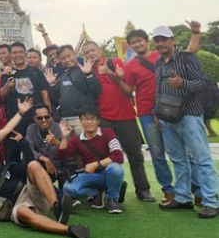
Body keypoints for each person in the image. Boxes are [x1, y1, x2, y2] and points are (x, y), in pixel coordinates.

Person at [122, 25, 201, 204]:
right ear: (130, 46)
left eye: (140, 40)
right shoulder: (130, 66)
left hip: (173, 110)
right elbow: (127, 91)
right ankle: (168, 190)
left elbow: (189, 53)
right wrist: (113, 76)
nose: (137, 44)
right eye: (133, 42)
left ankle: (196, 190)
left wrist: (195, 34)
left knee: (184, 152)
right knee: (157, 153)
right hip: (146, 113)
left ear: (147, 41)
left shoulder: (163, 55)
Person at [152, 26, 218, 218]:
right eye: (157, 40)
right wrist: (156, 113)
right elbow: (158, 89)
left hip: (189, 115)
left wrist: (184, 84)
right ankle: (182, 198)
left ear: (173, 40)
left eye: (163, 39)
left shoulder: (187, 58)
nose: (160, 43)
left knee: (202, 159)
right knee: (178, 160)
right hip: (167, 118)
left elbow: (203, 83)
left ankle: (212, 201)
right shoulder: (158, 64)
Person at [0, 137, 89, 238]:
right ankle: (69, 230)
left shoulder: (9, 167)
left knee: (33, 165)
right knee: (23, 212)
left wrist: (24, 143)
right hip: (16, 204)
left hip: (30, 191)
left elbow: (29, 163)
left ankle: (56, 207)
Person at [82, 41, 153, 202]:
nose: (90, 54)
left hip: (126, 117)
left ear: (100, 50)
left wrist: (109, 72)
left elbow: (127, 90)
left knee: (135, 155)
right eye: (86, 53)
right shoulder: (87, 71)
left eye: (92, 50)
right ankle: (111, 192)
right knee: (105, 158)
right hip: (104, 119)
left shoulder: (115, 63)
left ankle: (143, 190)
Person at [58, 106, 127, 214]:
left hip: (107, 172)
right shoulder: (76, 139)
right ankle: (98, 192)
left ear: (98, 121)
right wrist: (63, 137)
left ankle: (112, 199)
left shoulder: (108, 132)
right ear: (80, 121)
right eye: (85, 119)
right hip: (90, 176)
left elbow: (118, 156)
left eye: (92, 118)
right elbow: (62, 155)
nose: (89, 122)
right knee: (68, 188)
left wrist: (96, 164)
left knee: (116, 169)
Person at [45, 45, 101, 135]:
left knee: (86, 146)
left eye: (69, 56)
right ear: (59, 60)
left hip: (82, 119)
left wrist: (88, 74)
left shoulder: (85, 69)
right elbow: (55, 97)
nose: (67, 60)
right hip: (65, 120)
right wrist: (52, 84)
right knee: (70, 148)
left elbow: (97, 91)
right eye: (63, 58)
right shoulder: (63, 76)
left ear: (74, 54)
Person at [0, 42, 50, 135]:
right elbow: (1, 95)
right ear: (11, 55)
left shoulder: (35, 71)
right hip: (16, 119)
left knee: (40, 146)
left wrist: (48, 115)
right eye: (14, 53)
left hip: (36, 118)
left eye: (20, 52)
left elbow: (45, 94)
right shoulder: (8, 73)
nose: (18, 55)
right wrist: (8, 86)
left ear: (25, 54)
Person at [25, 104, 69, 184]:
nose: (44, 120)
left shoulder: (60, 128)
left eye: (47, 117)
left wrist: (56, 143)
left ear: (51, 116)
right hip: (40, 168)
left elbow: (69, 152)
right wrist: (45, 159)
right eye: (40, 118)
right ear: (35, 119)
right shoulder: (31, 129)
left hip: (60, 168)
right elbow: (28, 149)